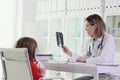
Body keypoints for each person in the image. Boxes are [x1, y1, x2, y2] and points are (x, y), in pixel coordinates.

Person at [62, 14, 115, 80]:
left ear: (95, 26)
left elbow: (104, 60)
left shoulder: (109, 39)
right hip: (93, 75)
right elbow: (83, 58)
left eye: (87, 26)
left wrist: (85, 60)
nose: (85, 29)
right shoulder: (90, 40)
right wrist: (69, 53)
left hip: (106, 76)